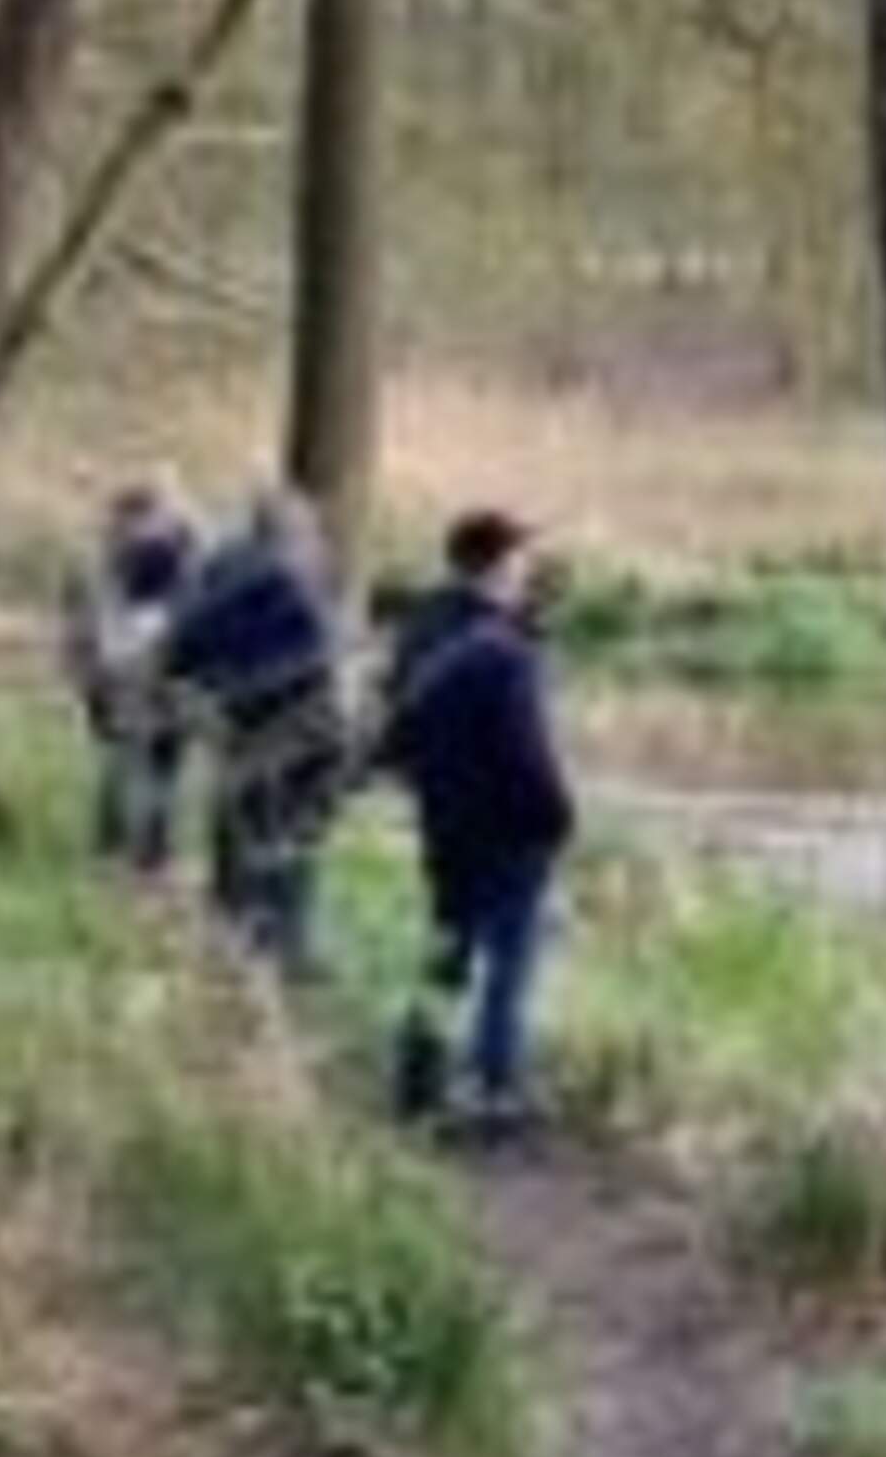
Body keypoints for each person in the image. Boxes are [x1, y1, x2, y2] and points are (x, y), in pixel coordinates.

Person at [375, 511, 578, 1137]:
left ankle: (417, 1082)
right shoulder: (505, 649)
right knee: (511, 965)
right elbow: (526, 752)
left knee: (446, 953)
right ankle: (497, 1091)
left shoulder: (422, 628)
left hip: (444, 821)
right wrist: (558, 817)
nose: (529, 572)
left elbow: (394, 734)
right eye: (521, 559)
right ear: (496, 566)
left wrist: (431, 790)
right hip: (508, 830)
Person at [165, 487, 352, 975]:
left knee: (241, 824)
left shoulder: (221, 575)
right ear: (294, 535)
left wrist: (214, 689)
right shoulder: (290, 584)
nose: (318, 544)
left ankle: (236, 929)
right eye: (312, 534)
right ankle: (281, 944)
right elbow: (322, 666)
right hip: (291, 729)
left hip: (237, 724)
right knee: (289, 835)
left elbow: (180, 648)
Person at [59, 477, 201, 873]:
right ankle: (133, 850)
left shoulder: (161, 555)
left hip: (138, 675)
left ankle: (137, 850)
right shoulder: (114, 564)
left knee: (149, 761)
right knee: (141, 762)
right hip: (133, 674)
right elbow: (87, 627)